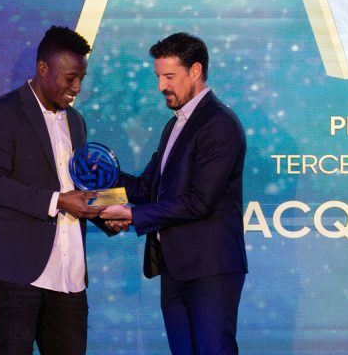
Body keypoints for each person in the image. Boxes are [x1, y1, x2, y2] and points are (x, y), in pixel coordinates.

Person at [101, 32, 248, 354]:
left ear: (195, 71)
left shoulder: (219, 123)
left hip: (210, 270)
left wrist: (132, 216)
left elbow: (199, 202)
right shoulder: (174, 125)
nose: (161, 86)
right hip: (175, 268)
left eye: (169, 76)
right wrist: (100, 179)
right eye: (158, 77)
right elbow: (146, 189)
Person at [0, 26, 105, 354]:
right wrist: (58, 201)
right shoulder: (0, 113)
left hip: (70, 276)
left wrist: (105, 212)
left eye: (81, 78)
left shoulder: (76, 121)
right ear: (43, 68)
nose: (77, 87)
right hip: (19, 273)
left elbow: (76, 187)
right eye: (70, 78)